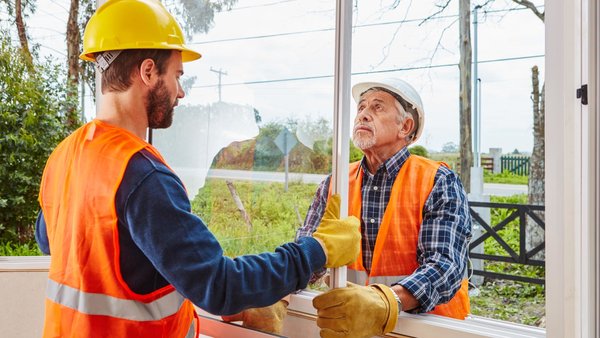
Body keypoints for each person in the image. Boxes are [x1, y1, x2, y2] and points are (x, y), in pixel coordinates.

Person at [34, 0, 360, 337]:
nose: (181, 92)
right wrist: (317, 250)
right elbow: (219, 285)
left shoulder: (65, 155)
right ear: (148, 72)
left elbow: (53, 242)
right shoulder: (142, 175)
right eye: (176, 75)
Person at [296, 78, 473, 338]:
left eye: (377, 108)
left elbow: (444, 266)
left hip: (423, 330)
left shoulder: (437, 181)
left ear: (406, 126)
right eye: (361, 108)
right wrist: (278, 291)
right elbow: (304, 256)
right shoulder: (336, 182)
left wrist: (386, 301)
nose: (364, 115)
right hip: (352, 328)